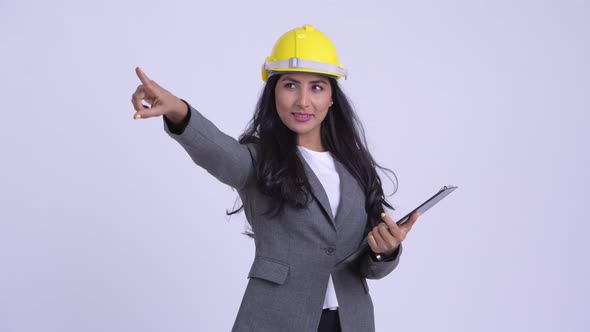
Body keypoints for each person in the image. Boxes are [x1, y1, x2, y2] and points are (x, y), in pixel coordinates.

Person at [131, 24, 420, 332]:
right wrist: (177, 110)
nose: (303, 101)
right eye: (291, 85)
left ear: (332, 96)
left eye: (317, 87)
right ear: (273, 91)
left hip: (351, 321)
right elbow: (216, 150)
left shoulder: (356, 166)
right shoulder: (258, 161)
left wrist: (383, 251)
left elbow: (365, 267)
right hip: (277, 319)